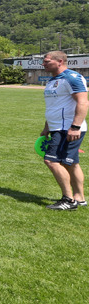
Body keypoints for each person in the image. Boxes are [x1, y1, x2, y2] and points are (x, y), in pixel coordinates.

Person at [40, 51, 88, 210]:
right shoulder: (53, 80)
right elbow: (54, 106)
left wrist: (75, 127)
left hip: (67, 128)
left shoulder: (71, 77)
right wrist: (47, 127)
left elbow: (83, 102)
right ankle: (79, 198)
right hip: (57, 128)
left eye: (47, 61)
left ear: (60, 61)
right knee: (71, 164)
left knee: (51, 160)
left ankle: (68, 200)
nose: (44, 64)